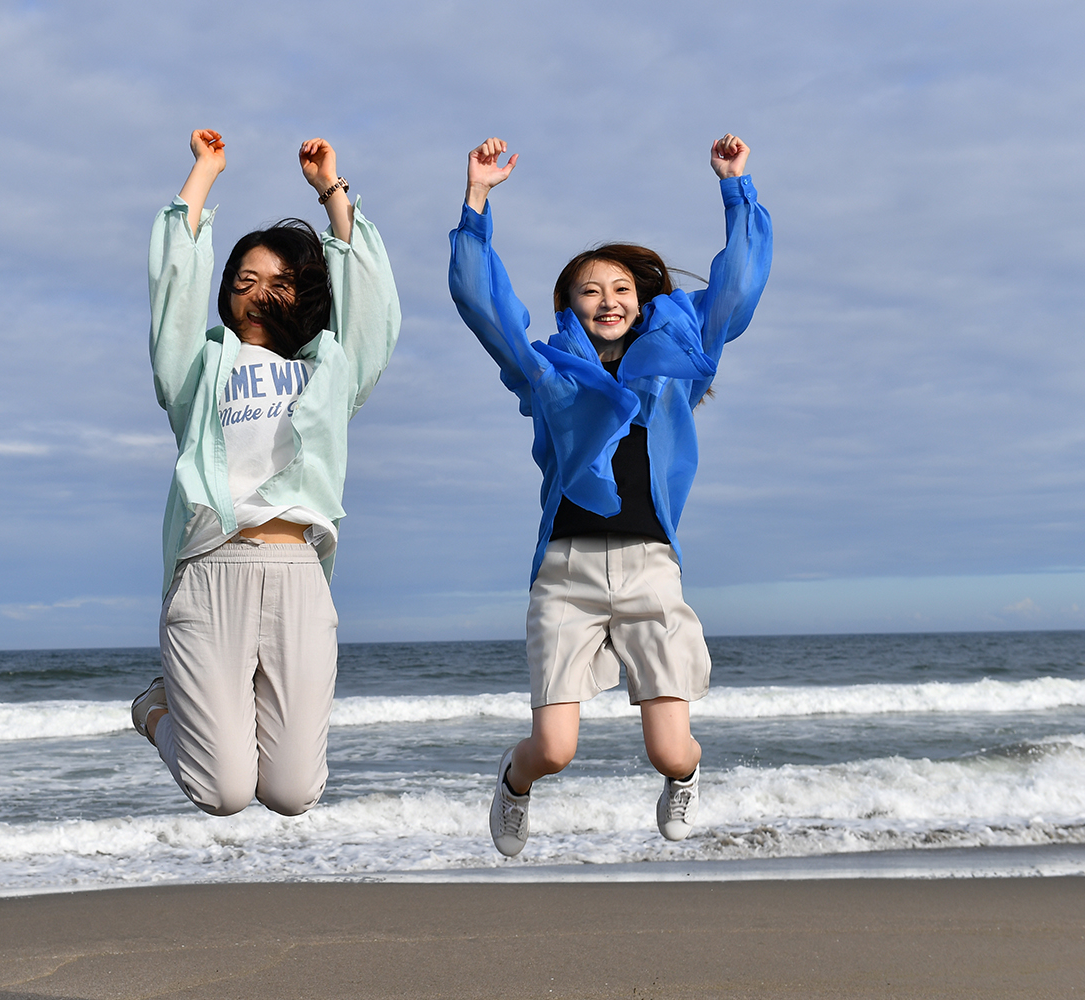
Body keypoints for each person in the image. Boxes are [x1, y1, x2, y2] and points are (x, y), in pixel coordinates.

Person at [448, 134, 771, 855]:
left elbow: (739, 287)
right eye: (591, 290)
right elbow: (481, 303)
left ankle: (684, 779)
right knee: (554, 748)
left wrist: (735, 188)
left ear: (643, 301)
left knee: (670, 751)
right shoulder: (548, 373)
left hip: (651, 566)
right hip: (566, 573)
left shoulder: (680, 363)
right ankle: (514, 782)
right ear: (569, 304)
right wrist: (476, 202)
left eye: (622, 288)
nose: (608, 300)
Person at [134, 129, 400, 817]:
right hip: (211, 568)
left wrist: (330, 191)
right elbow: (175, 284)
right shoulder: (197, 368)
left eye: (279, 283)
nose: (257, 294)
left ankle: (209, 708)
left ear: (305, 295)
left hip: (296, 576)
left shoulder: (330, 370)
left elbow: (369, 306)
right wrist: (204, 172)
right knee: (222, 793)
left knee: (291, 792)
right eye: (244, 281)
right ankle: (156, 711)